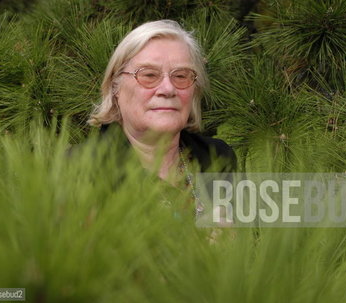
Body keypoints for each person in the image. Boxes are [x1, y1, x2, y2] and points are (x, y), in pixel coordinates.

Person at [89, 20, 236, 213]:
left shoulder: (217, 159)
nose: (168, 89)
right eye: (149, 75)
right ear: (115, 87)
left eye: (181, 76)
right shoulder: (80, 169)